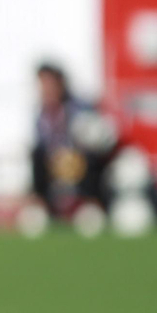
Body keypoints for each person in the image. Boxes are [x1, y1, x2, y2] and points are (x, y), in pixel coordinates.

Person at [30, 61, 116, 218]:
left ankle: (91, 203)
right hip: (55, 162)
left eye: (49, 83)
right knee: (36, 154)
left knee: (90, 157)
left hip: (77, 159)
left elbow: (93, 137)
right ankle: (41, 206)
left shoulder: (80, 107)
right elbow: (42, 143)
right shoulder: (41, 114)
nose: (45, 88)